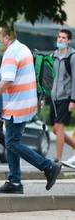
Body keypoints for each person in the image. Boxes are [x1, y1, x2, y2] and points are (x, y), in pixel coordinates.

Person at [0, 26, 62, 194]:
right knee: (12, 142)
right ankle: (15, 181)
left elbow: (7, 81)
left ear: (6, 38)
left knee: (12, 143)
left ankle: (47, 166)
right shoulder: (23, 48)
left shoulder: (11, 53)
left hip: (17, 105)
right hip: (24, 103)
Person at [50, 29, 75, 167]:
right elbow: (48, 78)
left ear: (69, 40)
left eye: (64, 38)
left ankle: (57, 160)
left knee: (59, 128)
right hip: (54, 97)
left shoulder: (72, 57)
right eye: (59, 37)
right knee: (55, 129)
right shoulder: (53, 56)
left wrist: (73, 100)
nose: (60, 40)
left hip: (66, 97)